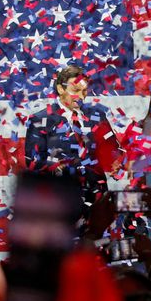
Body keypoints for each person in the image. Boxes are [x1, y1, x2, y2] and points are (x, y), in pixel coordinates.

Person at [24, 65, 122, 207]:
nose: (81, 97)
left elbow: (112, 148)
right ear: (60, 89)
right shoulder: (40, 120)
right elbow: (33, 162)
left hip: (97, 199)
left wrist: (116, 160)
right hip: (59, 200)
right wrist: (59, 166)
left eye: (84, 91)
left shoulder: (97, 116)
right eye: (76, 90)